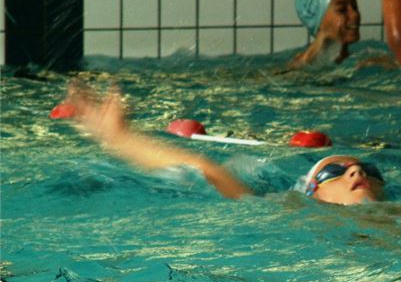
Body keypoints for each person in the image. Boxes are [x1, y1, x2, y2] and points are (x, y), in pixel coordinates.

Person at [65, 83, 384, 206]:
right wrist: (120, 139)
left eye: (366, 168)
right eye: (334, 171)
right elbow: (206, 170)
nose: (356, 171)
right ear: (312, 190)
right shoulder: (290, 208)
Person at [288, 0, 361, 69]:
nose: (355, 14)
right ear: (319, 21)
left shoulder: (357, 59)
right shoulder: (301, 66)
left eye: (354, 6)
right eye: (342, 10)